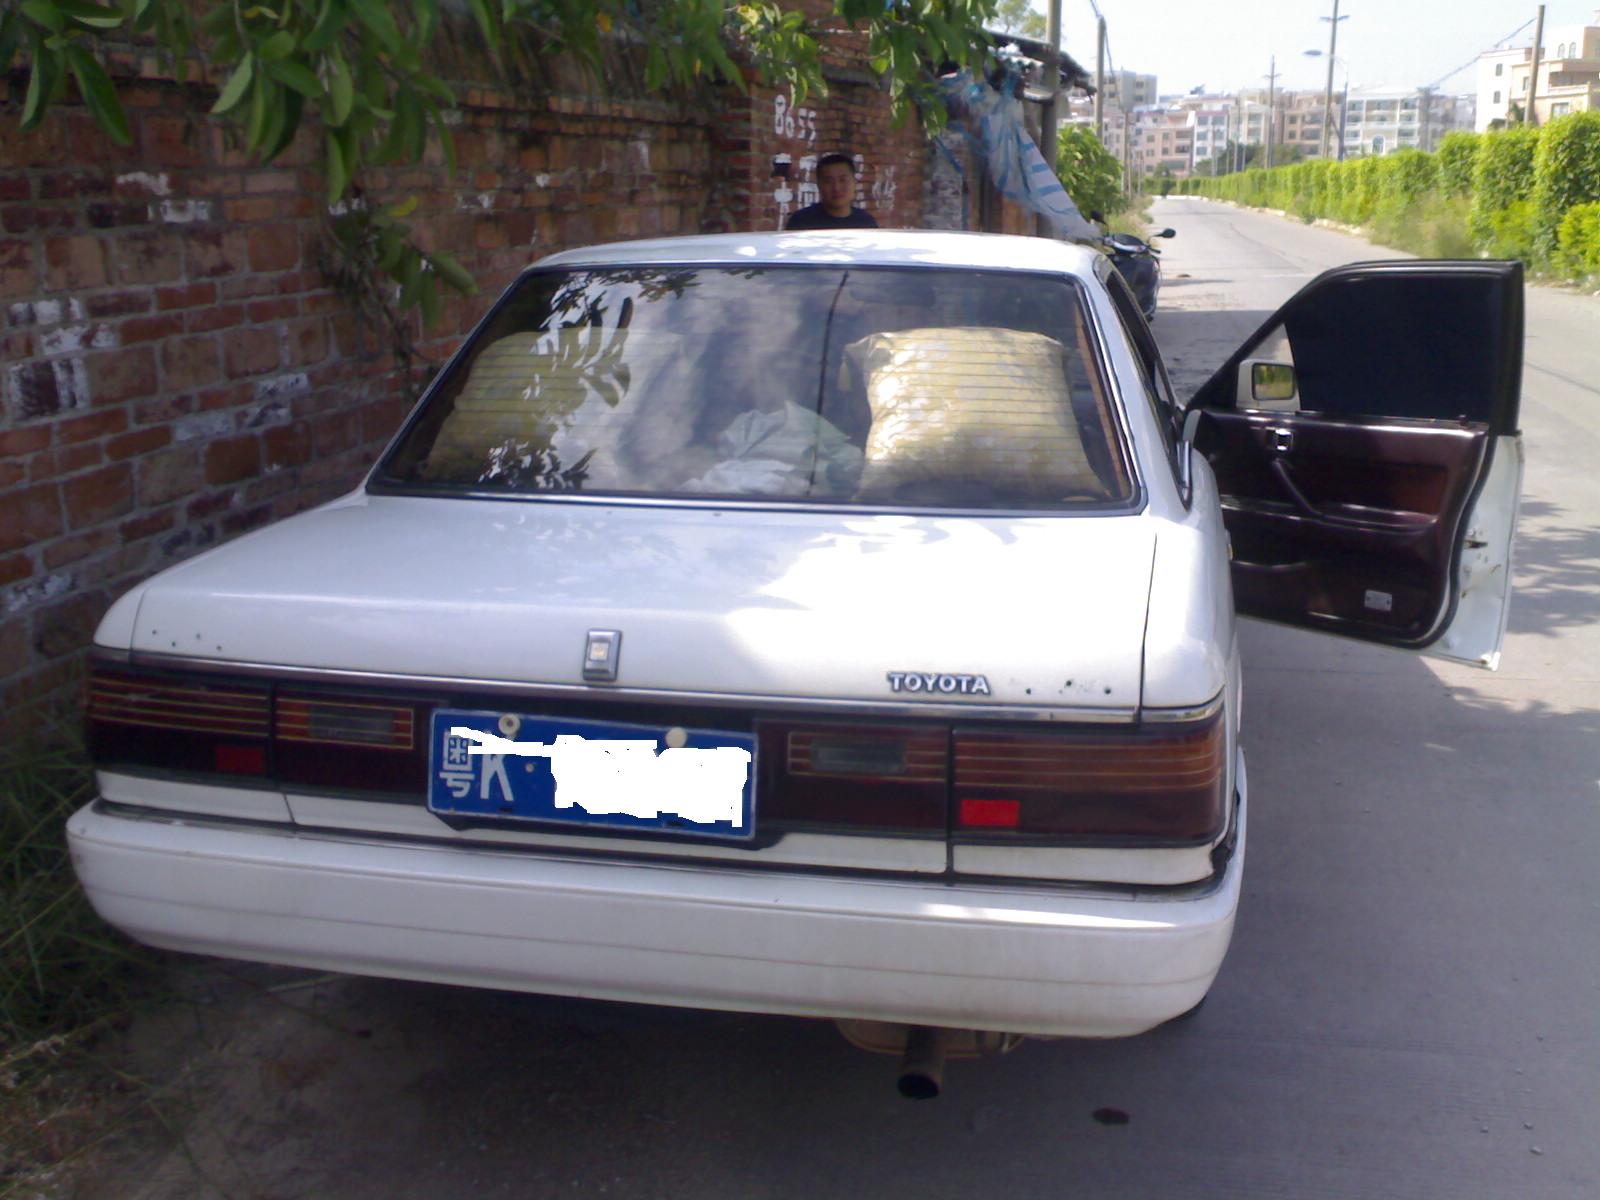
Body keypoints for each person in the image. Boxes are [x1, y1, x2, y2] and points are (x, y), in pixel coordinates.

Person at [785, 153, 879, 230]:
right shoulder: (802, 222)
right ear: (818, 185)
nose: (836, 188)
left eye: (842, 180)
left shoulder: (866, 223)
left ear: (855, 183)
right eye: (828, 181)